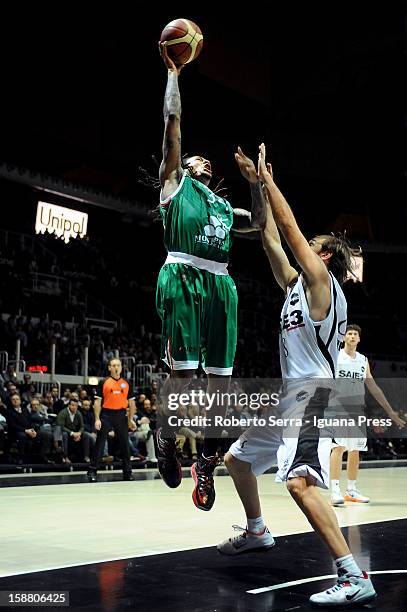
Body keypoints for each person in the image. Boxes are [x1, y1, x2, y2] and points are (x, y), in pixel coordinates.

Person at [218, 144, 378, 607]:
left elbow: (288, 230)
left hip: (313, 395)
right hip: (291, 396)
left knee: (299, 483)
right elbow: (270, 236)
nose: (307, 246)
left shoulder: (323, 285)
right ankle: (256, 530)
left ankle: (353, 576)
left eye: (315, 245)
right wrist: (253, 185)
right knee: (238, 461)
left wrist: (269, 179)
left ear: (323, 257)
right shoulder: (294, 286)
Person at [155, 42, 266, 510]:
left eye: (205, 163)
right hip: (183, 276)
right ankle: (166, 432)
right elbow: (173, 131)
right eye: (191, 160)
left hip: (221, 285)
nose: (197, 163)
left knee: (219, 386)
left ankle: (205, 461)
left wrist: (259, 182)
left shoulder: (223, 206)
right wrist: (175, 76)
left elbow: (260, 222)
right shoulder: (175, 185)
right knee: (184, 378)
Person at [331, 324, 405, 505]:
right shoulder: (335, 356)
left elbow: (373, 387)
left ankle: (351, 490)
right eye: (349, 333)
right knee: (338, 448)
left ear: (359, 339)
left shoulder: (362, 360)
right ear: (343, 338)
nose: (353, 336)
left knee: (355, 450)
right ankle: (334, 491)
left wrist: (391, 412)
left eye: (356, 334)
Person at [87, 358, 135, 482]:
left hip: (121, 415)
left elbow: (132, 403)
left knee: (125, 444)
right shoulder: (104, 382)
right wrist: (97, 419)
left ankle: (128, 473)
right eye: (113, 365)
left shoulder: (127, 382)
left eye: (118, 365)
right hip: (106, 415)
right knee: (100, 443)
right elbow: (97, 402)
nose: (116, 367)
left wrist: (131, 420)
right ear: (109, 368)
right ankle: (92, 471)